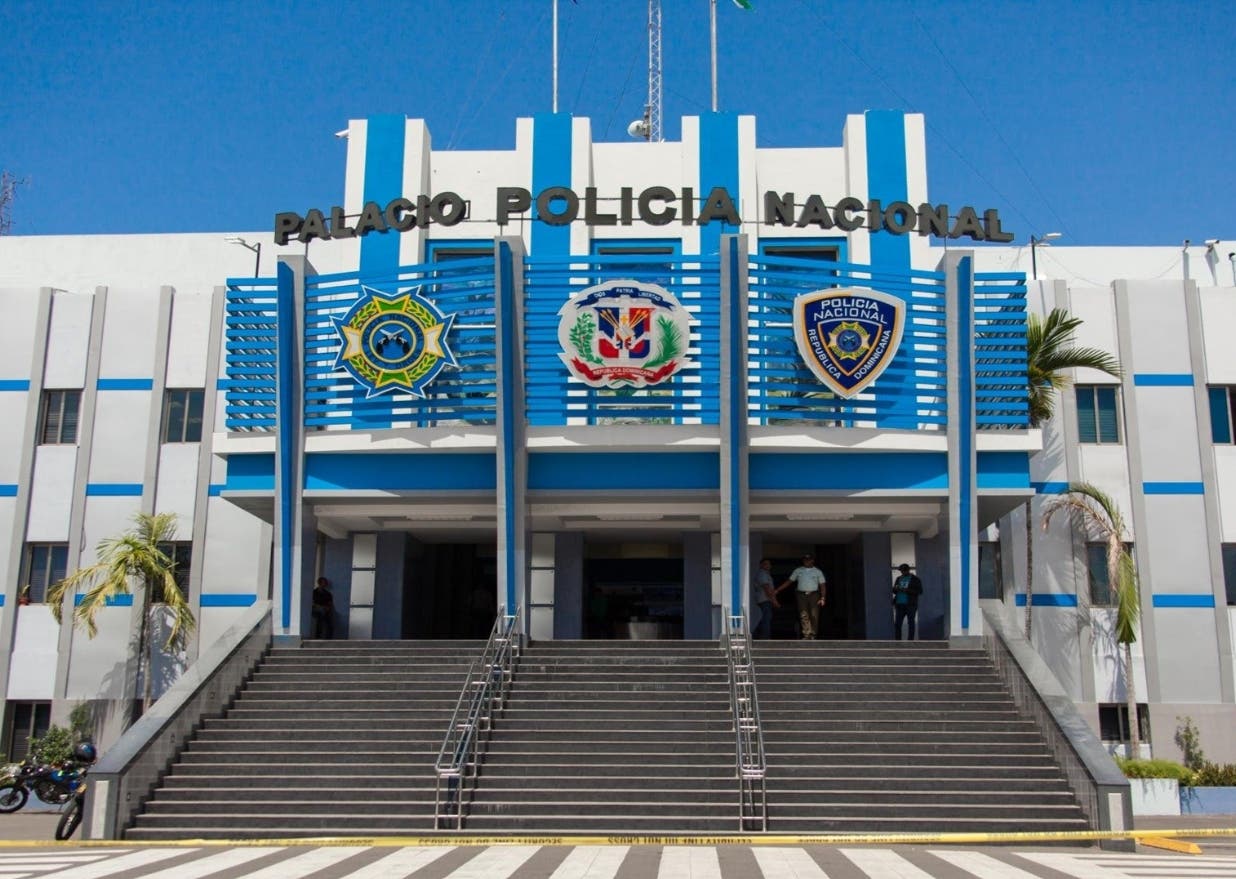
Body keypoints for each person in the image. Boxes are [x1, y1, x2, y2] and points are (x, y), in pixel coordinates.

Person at [774, 553, 827, 640]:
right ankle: (807, 634)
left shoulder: (818, 571)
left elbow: (822, 585)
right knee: (803, 614)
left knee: (814, 615)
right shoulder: (798, 570)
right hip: (801, 595)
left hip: (814, 595)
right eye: (805, 560)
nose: (806, 561)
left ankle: (813, 634)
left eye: (808, 560)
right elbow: (789, 581)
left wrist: (823, 597)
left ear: (812, 561)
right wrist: (778, 590)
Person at [891, 563, 924, 640]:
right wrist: (896, 589)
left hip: (910, 605)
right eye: (901, 571)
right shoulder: (898, 578)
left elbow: (920, 591)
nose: (902, 572)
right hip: (899, 604)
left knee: (911, 623)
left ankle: (910, 640)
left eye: (903, 571)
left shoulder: (915, 579)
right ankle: (898, 640)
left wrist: (906, 590)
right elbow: (894, 590)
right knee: (897, 624)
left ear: (908, 570)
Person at [751, 558, 778, 639]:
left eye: (769, 564)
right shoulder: (762, 574)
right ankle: (764, 638)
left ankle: (756, 635)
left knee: (764, 618)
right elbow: (767, 588)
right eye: (765, 564)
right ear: (761, 565)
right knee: (766, 619)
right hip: (764, 600)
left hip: (766, 600)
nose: (768, 566)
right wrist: (774, 601)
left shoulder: (766, 574)